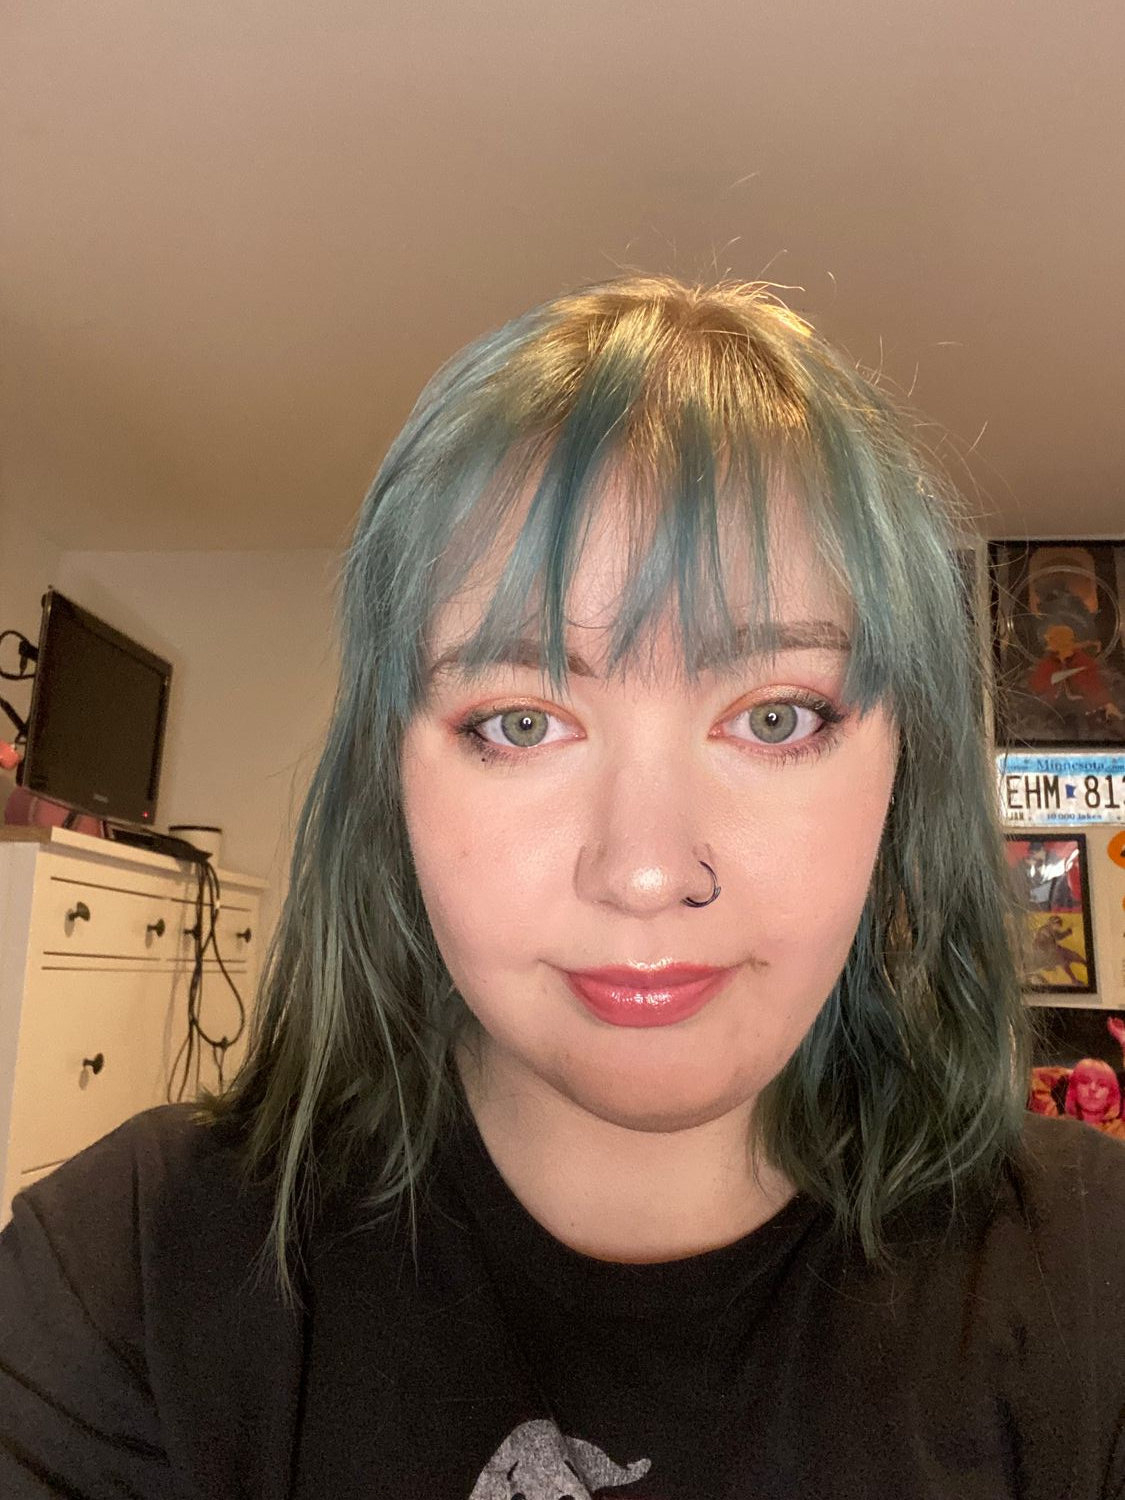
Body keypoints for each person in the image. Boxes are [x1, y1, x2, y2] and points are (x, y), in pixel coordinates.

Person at [2, 274, 1124, 1500]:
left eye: (777, 716)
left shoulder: (1095, 1277)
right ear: (391, 780)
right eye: (522, 722)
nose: (646, 871)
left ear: (905, 773)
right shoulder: (129, 1269)